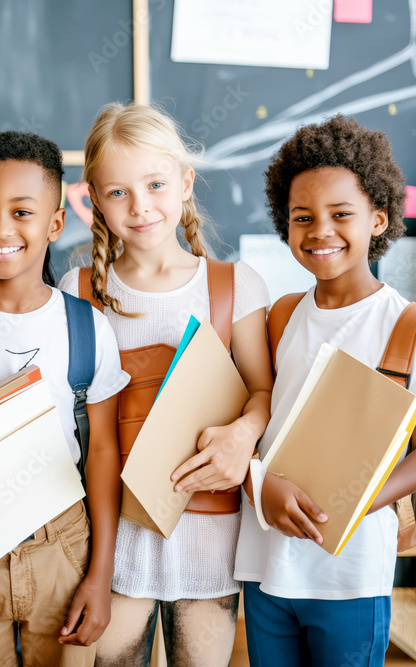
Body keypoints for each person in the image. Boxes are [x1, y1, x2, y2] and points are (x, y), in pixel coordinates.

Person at [60, 103, 272, 667]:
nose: (140, 206)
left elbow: (264, 392)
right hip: (116, 539)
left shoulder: (233, 287)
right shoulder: (77, 290)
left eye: (155, 184)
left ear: (184, 182)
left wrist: (243, 434)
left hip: (211, 540)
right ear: (95, 200)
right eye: (117, 193)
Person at [0, 130, 129, 667]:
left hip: (62, 543)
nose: (1, 229)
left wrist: (100, 573)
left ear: (56, 223)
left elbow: (104, 452)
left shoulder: (86, 327)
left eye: (23, 212)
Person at [235, 115, 416, 666]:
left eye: (341, 215)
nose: (320, 231)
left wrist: (355, 502)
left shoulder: (404, 327)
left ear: (378, 219)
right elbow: (252, 420)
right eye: (302, 217)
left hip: (351, 573)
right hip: (268, 569)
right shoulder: (279, 317)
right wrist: (259, 488)